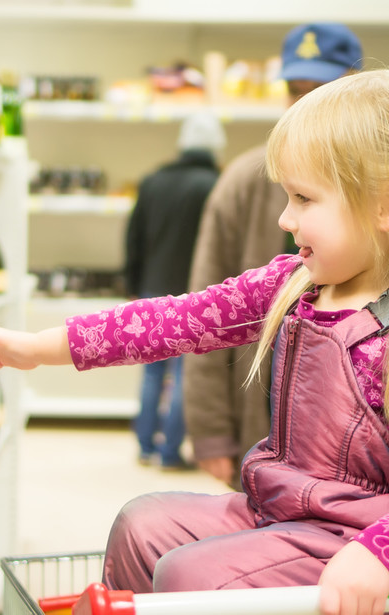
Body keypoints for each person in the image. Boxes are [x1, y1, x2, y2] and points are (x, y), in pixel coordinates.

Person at [0, 70, 389, 615]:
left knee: (191, 575)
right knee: (141, 525)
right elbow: (175, 320)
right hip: (279, 514)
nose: (284, 217)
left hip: (366, 546)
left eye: (304, 198)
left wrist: (387, 554)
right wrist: (41, 347)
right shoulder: (294, 285)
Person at [185, 22, 365, 488]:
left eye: (322, 90)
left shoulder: (382, 185)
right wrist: (210, 433)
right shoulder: (244, 182)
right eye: (296, 89)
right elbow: (203, 311)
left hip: (361, 436)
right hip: (261, 421)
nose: (306, 104)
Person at [123, 112, 225, 469]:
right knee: (185, 374)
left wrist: (135, 284)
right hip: (195, 292)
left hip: (153, 287)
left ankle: (144, 446)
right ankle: (170, 452)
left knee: (152, 371)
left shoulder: (153, 181)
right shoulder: (216, 183)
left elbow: (133, 237)